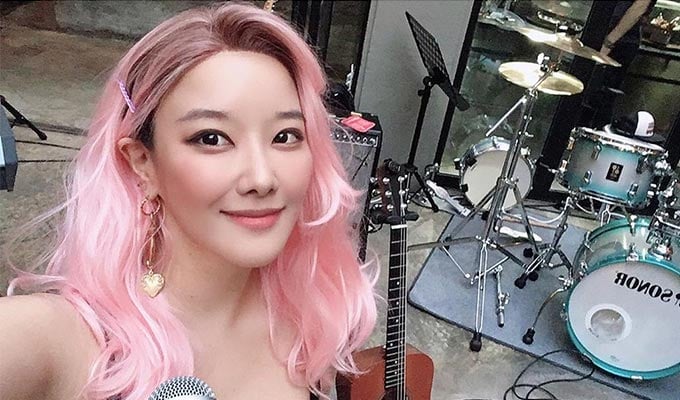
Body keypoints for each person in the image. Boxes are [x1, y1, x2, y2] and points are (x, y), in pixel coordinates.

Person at [0, 3, 377, 400]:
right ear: (143, 163)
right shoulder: (63, 340)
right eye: (212, 138)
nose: (262, 179)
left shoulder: (318, 318)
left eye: (285, 136)